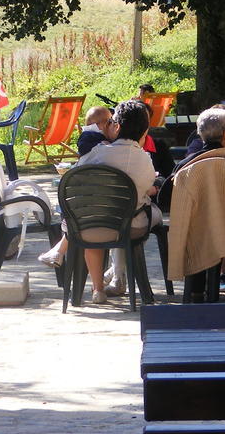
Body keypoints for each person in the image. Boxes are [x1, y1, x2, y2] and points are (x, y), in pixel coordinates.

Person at [38, 100, 161, 303]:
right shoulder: (145, 160)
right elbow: (147, 187)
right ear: (144, 130)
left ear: (117, 126)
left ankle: (97, 288)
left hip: (91, 225)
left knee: (99, 219)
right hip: (130, 226)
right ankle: (119, 276)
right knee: (143, 209)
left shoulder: (96, 153)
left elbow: (75, 178)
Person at [170, 108, 225, 301]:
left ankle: (196, 292)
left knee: (197, 231)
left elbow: (166, 197)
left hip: (198, 231)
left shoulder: (186, 164)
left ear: (200, 135)